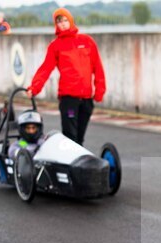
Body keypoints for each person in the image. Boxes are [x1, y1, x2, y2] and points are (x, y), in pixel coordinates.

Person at [27, 8, 106, 146]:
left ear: (70, 21)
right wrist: (34, 87)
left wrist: (100, 90)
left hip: (87, 99)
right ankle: (70, 166)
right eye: (59, 22)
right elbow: (45, 68)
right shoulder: (55, 46)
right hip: (69, 99)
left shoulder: (87, 41)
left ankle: (78, 165)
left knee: (80, 137)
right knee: (70, 137)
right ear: (56, 25)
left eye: (65, 20)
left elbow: (97, 67)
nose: (62, 24)